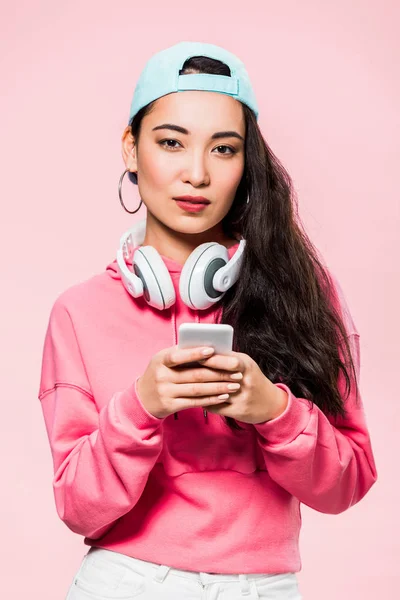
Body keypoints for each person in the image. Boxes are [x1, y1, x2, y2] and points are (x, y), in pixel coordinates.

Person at [37, 41, 378, 600]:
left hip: (266, 588)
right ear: (131, 148)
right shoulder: (79, 311)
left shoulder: (302, 292)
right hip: (125, 583)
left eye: (223, 149)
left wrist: (274, 411)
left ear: (246, 164)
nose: (195, 173)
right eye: (171, 142)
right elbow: (77, 507)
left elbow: (348, 483)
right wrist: (140, 405)